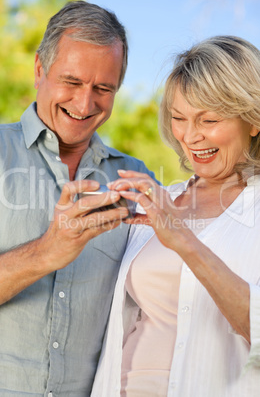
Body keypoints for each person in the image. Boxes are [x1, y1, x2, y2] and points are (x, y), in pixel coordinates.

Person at [0, 0, 157, 396]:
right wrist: (48, 250)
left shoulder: (138, 181)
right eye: (72, 82)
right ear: (38, 70)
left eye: (103, 88)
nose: (85, 105)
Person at [91, 35, 260, 397]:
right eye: (179, 118)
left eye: (209, 119)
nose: (191, 136)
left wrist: (184, 241)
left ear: (253, 120)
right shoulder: (161, 201)